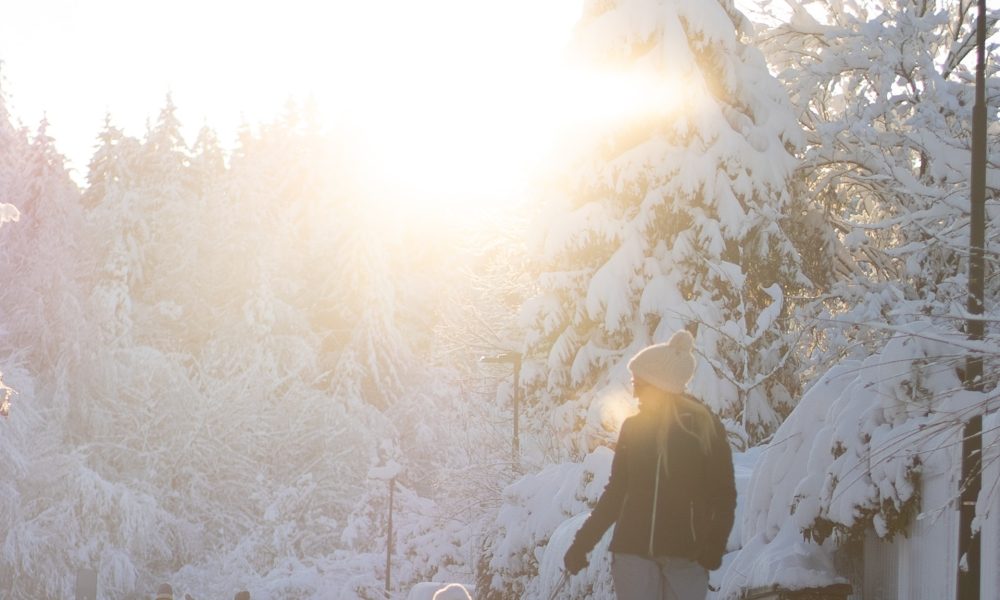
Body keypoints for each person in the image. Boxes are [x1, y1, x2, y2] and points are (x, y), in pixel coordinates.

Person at [563, 330, 736, 600]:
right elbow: (616, 492)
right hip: (633, 553)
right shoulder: (633, 428)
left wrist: (714, 545)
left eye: (638, 380)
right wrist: (582, 543)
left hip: (687, 556)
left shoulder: (704, 427)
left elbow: (723, 494)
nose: (633, 388)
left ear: (657, 383)